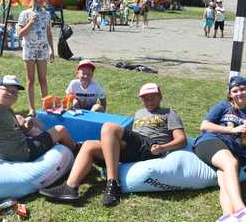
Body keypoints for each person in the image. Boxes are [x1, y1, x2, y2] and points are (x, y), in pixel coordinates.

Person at [40, 83, 187, 207]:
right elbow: (132, 138)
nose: (149, 101)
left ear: (160, 97)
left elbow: (182, 139)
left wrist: (162, 148)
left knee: (109, 127)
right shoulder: (139, 113)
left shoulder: (169, 113)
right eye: (145, 99)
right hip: (136, 148)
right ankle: (70, 188)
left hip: (151, 146)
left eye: (153, 97)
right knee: (89, 145)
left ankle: (113, 184)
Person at [0, 75, 81, 172]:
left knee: (30, 120)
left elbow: (8, 129)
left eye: (15, 92)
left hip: (11, 147)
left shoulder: (3, 108)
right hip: (22, 152)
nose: (12, 94)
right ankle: (76, 152)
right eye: (8, 90)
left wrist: (24, 125)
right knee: (60, 129)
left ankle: (54, 142)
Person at [192, 75, 246, 222]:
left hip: (233, 149)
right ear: (230, 94)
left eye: (242, 89)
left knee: (224, 178)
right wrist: (232, 130)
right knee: (230, 163)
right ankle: (241, 210)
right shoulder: (223, 106)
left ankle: (227, 216)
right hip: (210, 142)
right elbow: (204, 126)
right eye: (235, 90)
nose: (239, 93)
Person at [17, 0, 55, 117]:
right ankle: (32, 108)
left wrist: (52, 50)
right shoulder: (24, 14)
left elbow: (49, 33)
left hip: (42, 49)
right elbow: (20, 34)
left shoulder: (47, 14)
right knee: (30, 80)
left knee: (43, 79)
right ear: (31, 0)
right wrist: (30, 22)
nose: (38, 1)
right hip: (29, 49)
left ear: (44, 1)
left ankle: (46, 105)